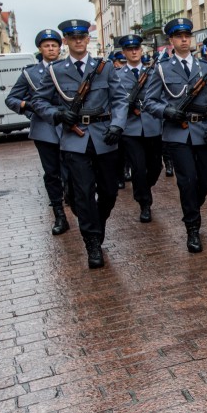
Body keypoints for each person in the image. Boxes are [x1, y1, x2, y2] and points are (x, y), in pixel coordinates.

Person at [31, 19, 128, 268]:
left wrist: (118, 124)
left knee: (109, 191)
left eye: (82, 37)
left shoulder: (104, 67)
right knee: (84, 193)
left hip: (105, 135)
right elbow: (39, 101)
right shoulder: (56, 71)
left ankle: (97, 222)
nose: (78, 41)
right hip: (75, 138)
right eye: (73, 37)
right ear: (66, 41)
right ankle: (92, 242)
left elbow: (119, 99)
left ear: (87, 39)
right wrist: (57, 114)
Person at [145, 18, 207, 252]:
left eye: (187, 36)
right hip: (177, 134)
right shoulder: (162, 69)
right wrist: (165, 111)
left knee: (205, 181)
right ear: (171, 40)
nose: (184, 40)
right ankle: (192, 227)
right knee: (187, 181)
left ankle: (193, 209)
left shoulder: (206, 68)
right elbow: (149, 101)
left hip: (203, 132)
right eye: (179, 36)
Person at [5, 29, 71, 236]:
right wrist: (28, 106)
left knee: (73, 169)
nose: (51, 49)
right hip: (45, 128)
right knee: (52, 173)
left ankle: (74, 199)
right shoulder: (30, 73)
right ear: (40, 49)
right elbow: (11, 99)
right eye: (46, 46)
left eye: (54, 45)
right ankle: (59, 215)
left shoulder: (68, 68)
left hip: (69, 126)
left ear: (59, 48)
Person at [114, 34, 164, 223]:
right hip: (131, 129)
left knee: (156, 166)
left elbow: (161, 96)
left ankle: (144, 186)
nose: (134, 52)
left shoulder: (154, 72)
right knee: (138, 167)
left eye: (136, 48)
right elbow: (115, 101)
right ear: (124, 52)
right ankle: (144, 203)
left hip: (152, 125)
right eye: (129, 49)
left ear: (141, 50)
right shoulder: (117, 75)